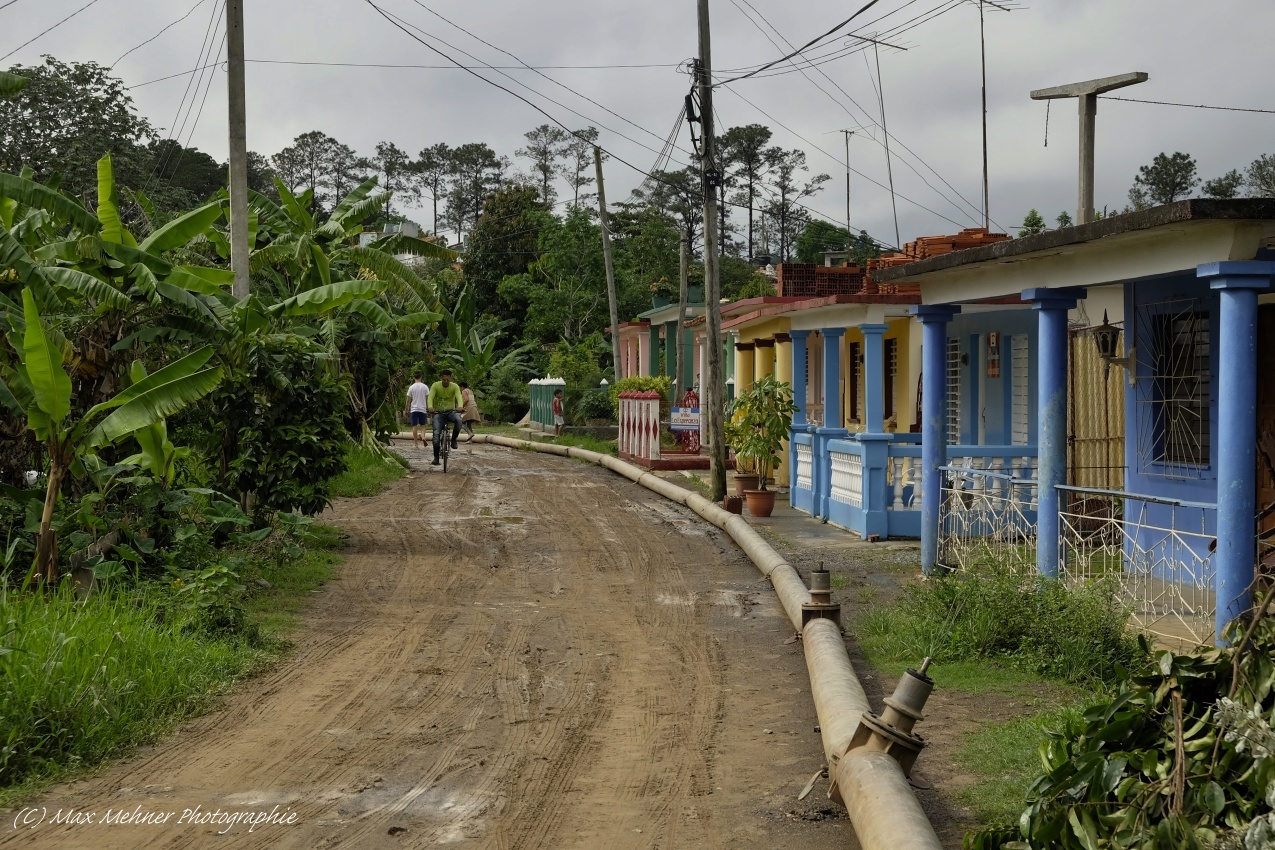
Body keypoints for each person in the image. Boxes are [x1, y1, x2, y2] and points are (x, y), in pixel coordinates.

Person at [428, 369, 464, 466]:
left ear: (450, 378)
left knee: (459, 420)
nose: (446, 382)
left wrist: (460, 406)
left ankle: (454, 439)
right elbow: (430, 397)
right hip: (438, 413)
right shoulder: (435, 385)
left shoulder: (455, 386)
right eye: (444, 380)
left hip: (451, 412)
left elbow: (459, 397)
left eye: (448, 380)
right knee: (436, 435)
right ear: (441, 378)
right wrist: (430, 407)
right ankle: (436, 458)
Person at [403, 373, 430, 448]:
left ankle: (416, 444)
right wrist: (428, 407)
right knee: (423, 425)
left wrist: (406, 409)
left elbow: (408, 400)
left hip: (414, 409)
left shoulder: (411, 387)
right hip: (422, 409)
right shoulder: (425, 387)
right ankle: (423, 436)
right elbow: (428, 398)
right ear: (421, 377)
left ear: (414, 378)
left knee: (414, 426)